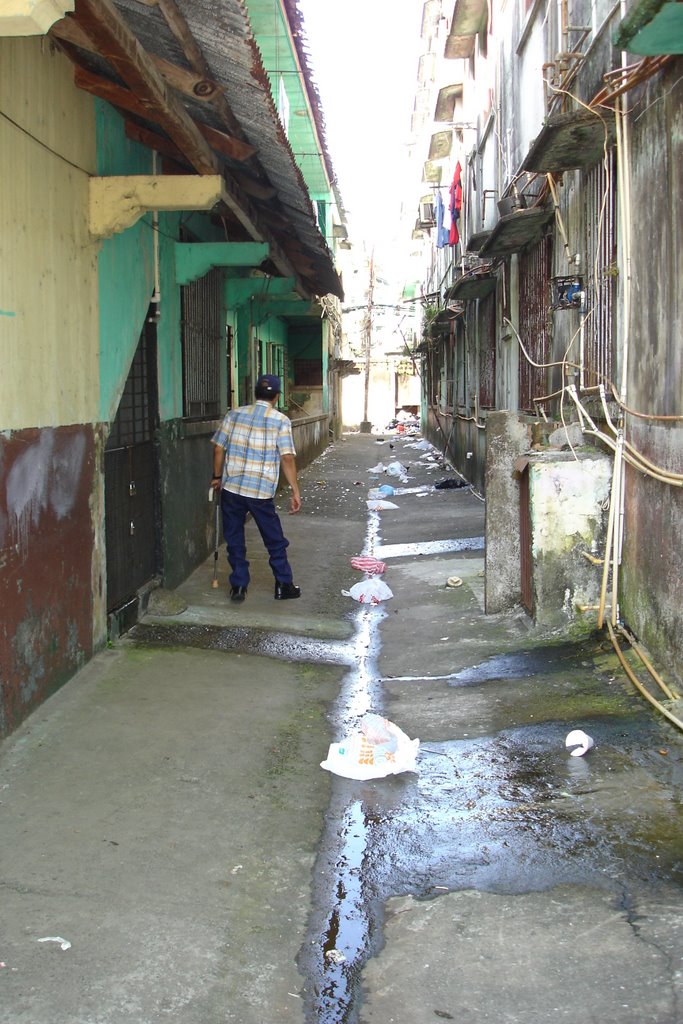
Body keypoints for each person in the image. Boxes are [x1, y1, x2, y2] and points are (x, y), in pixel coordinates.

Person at [210, 374, 301, 603]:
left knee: (234, 538)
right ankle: (283, 584)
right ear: (277, 396)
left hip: (232, 489)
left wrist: (217, 476)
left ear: (254, 394)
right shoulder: (280, 421)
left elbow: (219, 449)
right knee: (274, 539)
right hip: (260, 492)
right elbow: (287, 458)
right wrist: (295, 490)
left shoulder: (234, 414)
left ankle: (238, 586)